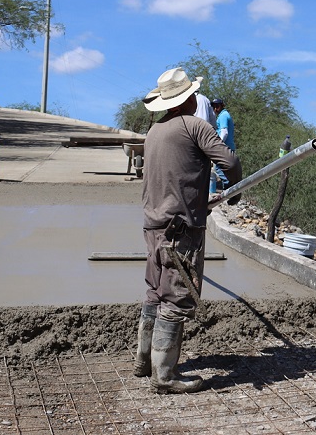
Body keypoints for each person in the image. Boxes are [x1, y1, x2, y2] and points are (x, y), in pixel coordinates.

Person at [134, 67, 242, 394]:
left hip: (153, 225)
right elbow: (230, 163)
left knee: (156, 291)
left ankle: (143, 362)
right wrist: (233, 189)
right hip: (180, 229)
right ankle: (164, 378)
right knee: (177, 298)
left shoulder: (155, 130)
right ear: (191, 98)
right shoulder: (195, 126)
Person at [210, 98, 236, 193]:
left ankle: (228, 188)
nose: (215, 109)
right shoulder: (223, 115)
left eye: (217, 106)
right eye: (214, 107)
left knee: (218, 167)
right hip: (228, 146)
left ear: (222, 105)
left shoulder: (223, 116)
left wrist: (218, 144)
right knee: (225, 169)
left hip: (225, 147)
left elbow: (224, 132)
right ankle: (229, 189)